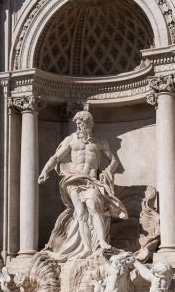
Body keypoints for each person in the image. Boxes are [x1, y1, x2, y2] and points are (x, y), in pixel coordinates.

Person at [38, 110, 127, 259]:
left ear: (90, 124)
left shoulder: (99, 142)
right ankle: (86, 247)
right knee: (80, 213)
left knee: (93, 208)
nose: (80, 126)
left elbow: (114, 160)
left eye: (83, 123)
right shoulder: (71, 140)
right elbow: (56, 157)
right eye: (78, 123)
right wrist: (45, 171)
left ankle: (102, 242)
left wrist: (107, 172)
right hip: (73, 179)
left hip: (91, 180)